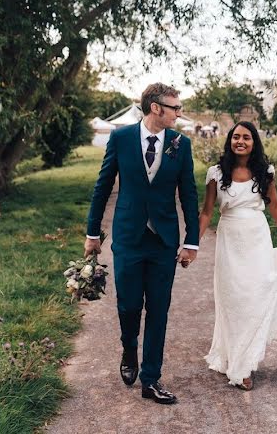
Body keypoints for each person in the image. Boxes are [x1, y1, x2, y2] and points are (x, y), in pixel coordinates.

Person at [85, 83, 199, 405]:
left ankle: (151, 378)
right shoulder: (120, 139)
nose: (179, 113)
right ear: (155, 107)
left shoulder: (181, 143)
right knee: (129, 304)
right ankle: (128, 349)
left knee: (159, 309)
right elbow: (103, 185)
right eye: (174, 107)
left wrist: (192, 241)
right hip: (128, 238)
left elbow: (188, 194)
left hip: (163, 241)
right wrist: (93, 234)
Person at [199, 121, 277, 391]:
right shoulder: (216, 174)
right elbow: (207, 213)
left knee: (254, 297)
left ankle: (245, 363)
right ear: (229, 140)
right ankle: (235, 360)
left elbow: (274, 205)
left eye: (246, 138)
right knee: (233, 301)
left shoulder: (265, 172)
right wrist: (191, 244)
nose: (240, 141)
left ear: (254, 142)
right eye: (236, 137)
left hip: (257, 238)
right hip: (229, 240)